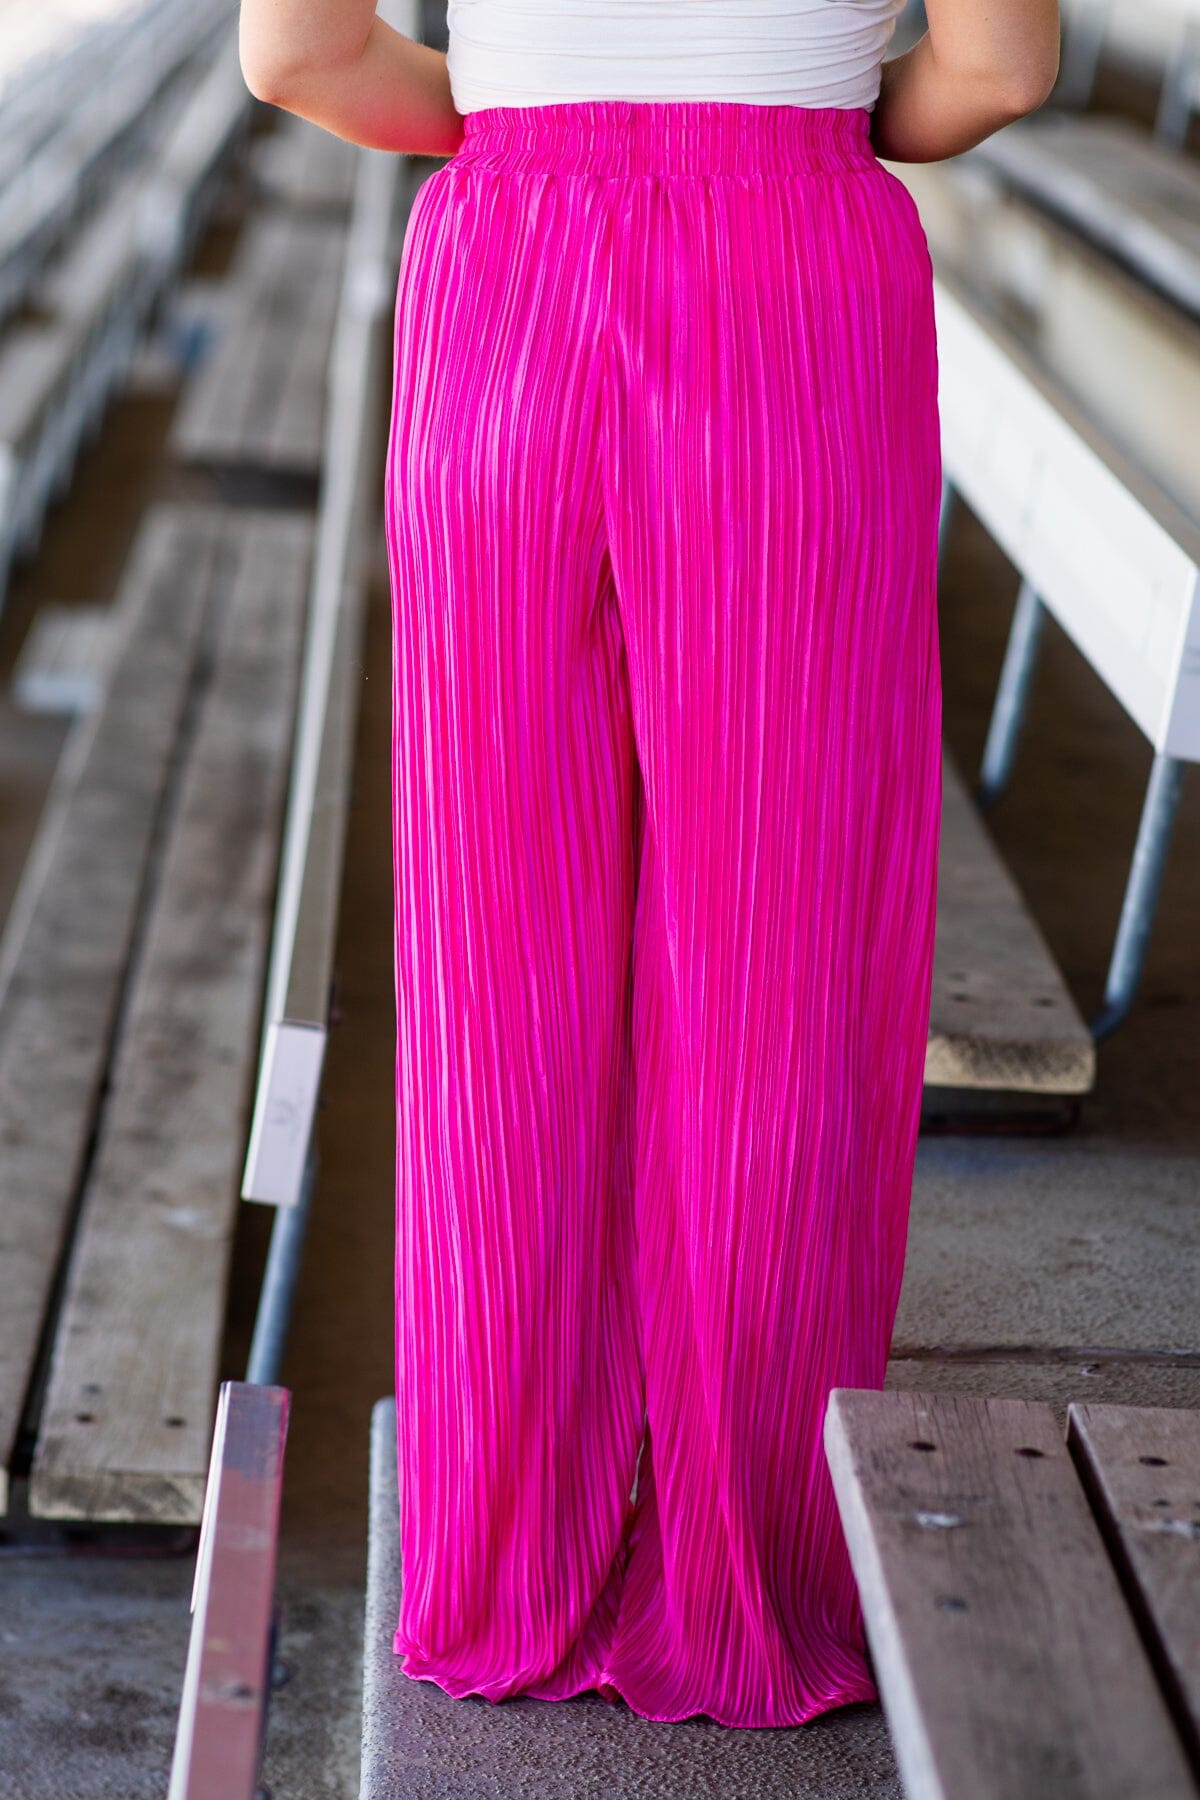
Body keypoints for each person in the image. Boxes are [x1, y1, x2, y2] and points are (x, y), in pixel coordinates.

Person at [240, 0, 1061, 1731]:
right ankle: (740, 1572)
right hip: (792, 291)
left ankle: (509, 1557)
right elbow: (998, 71)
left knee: (499, 953)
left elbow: (299, 57)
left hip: (509, 284)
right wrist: (796, 116)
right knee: (778, 948)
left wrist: (548, 133)